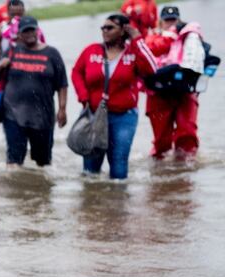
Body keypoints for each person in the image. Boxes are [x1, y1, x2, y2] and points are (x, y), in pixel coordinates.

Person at [71, 14, 158, 179]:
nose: (104, 31)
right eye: (103, 27)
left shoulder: (133, 52)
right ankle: (92, 202)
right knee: (90, 166)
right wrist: (83, 96)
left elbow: (152, 69)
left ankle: (117, 202)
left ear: (123, 30)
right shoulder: (91, 51)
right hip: (95, 114)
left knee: (118, 163)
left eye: (109, 27)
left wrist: (137, 39)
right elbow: (77, 72)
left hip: (124, 117)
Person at [0, 16, 68, 167]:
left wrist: (62, 109)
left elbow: (62, 84)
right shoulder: (12, 51)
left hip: (43, 116)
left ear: (37, 30)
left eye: (31, 30)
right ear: (19, 34)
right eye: (25, 31)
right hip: (13, 114)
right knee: (14, 162)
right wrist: (0, 65)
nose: (29, 34)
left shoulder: (52, 53)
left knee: (43, 163)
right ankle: (16, 190)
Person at [144, 5, 206, 160]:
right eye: (167, 20)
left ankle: (184, 171)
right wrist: (169, 36)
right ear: (160, 22)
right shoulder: (151, 37)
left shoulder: (189, 35)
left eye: (173, 20)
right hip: (159, 93)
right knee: (161, 139)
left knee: (187, 133)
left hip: (185, 92)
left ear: (178, 20)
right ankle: (160, 164)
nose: (170, 23)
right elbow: (150, 51)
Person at [0, 0, 45, 64]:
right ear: (8, 12)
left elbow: (42, 50)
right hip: (8, 67)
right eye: (13, 15)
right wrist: (1, 67)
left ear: (24, 12)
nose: (16, 17)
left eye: (19, 14)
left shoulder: (33, 29)